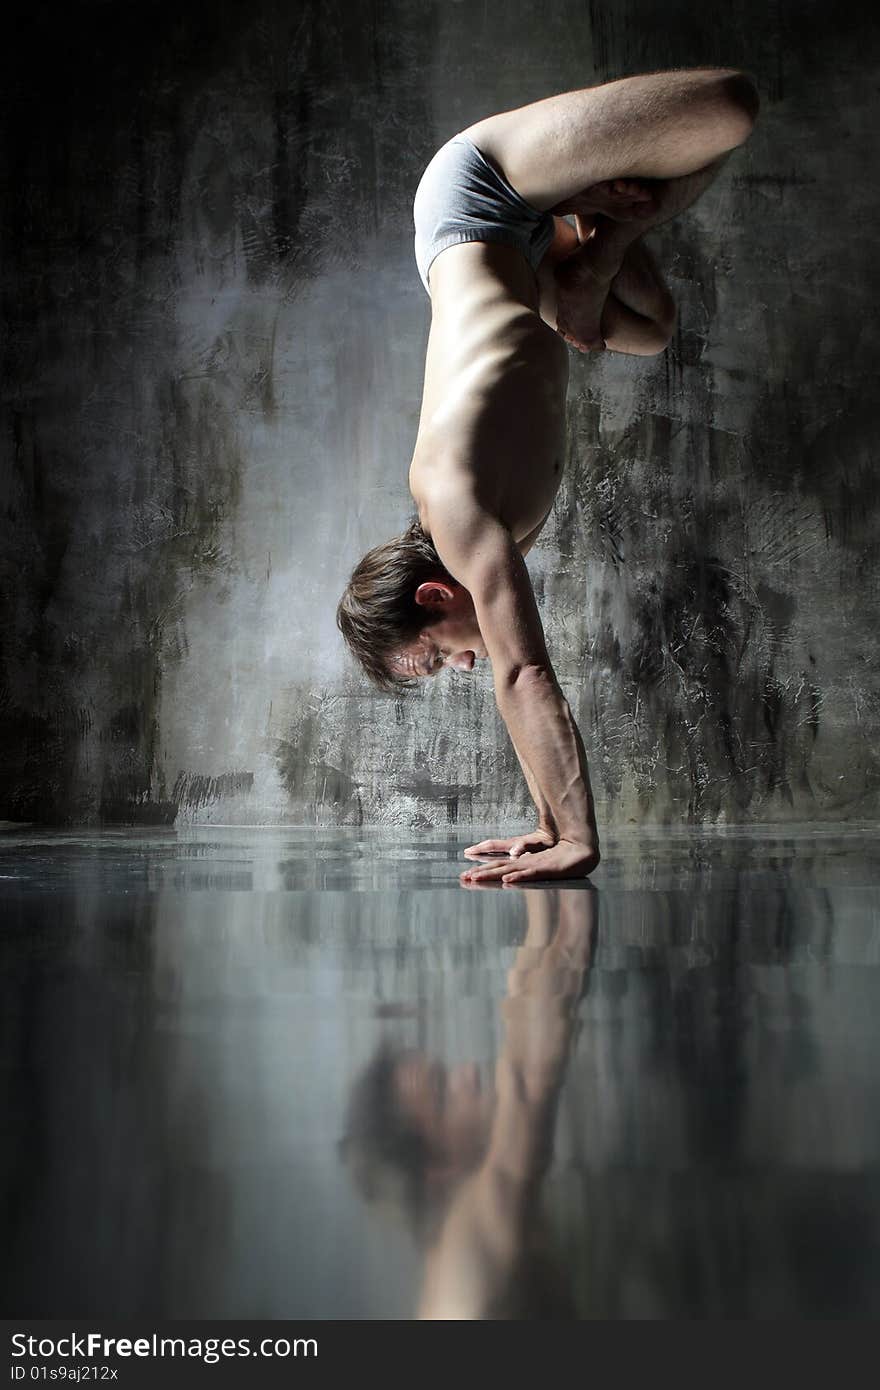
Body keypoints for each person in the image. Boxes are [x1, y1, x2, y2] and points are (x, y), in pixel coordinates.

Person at [336, 69, 760, 884]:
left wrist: (577, 836)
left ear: (434, 596)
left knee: (729, 109)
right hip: (528, 259)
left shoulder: (457, 512)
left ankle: (595, 242)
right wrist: (545, 822)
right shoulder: (481, 532)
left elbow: (522, 673)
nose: (458, 670)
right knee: (650, 332)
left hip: (479, 198)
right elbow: (512, 686)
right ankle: (590, 249)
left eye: (435, 659)